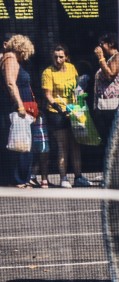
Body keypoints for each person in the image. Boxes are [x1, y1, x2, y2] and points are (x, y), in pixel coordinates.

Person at [41, 44, 90, 188]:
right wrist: (59, 108)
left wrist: (78, 103)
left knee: (76, 145)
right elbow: (48, 95)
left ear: (66, 57)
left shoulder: (72, 68)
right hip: (57, 114)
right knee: (63, 146)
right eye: (55, 57)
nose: (58, 59)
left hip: (74, 112)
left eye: (61, 57)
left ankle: (78, 177)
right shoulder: (47, 72)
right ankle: (63, 178)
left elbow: (76, 88)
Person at [1, 34, 35, 188]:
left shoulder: (12, 59)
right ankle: (19, 179)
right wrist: (20, 105)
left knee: (23, 142)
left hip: (24, 107)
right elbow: (10, 83)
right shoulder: (10, 58)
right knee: (19, 143)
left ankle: (22, 178)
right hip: (17, 108)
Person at [93, 33, 119, 149]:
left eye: (102, 44)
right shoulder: (109, 59)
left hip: (114, 105)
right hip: (105, 105)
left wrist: (100, 58)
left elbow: (110, 75)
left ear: (111, 44)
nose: (99, 47)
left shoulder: (118, 56)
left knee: (113, 135)